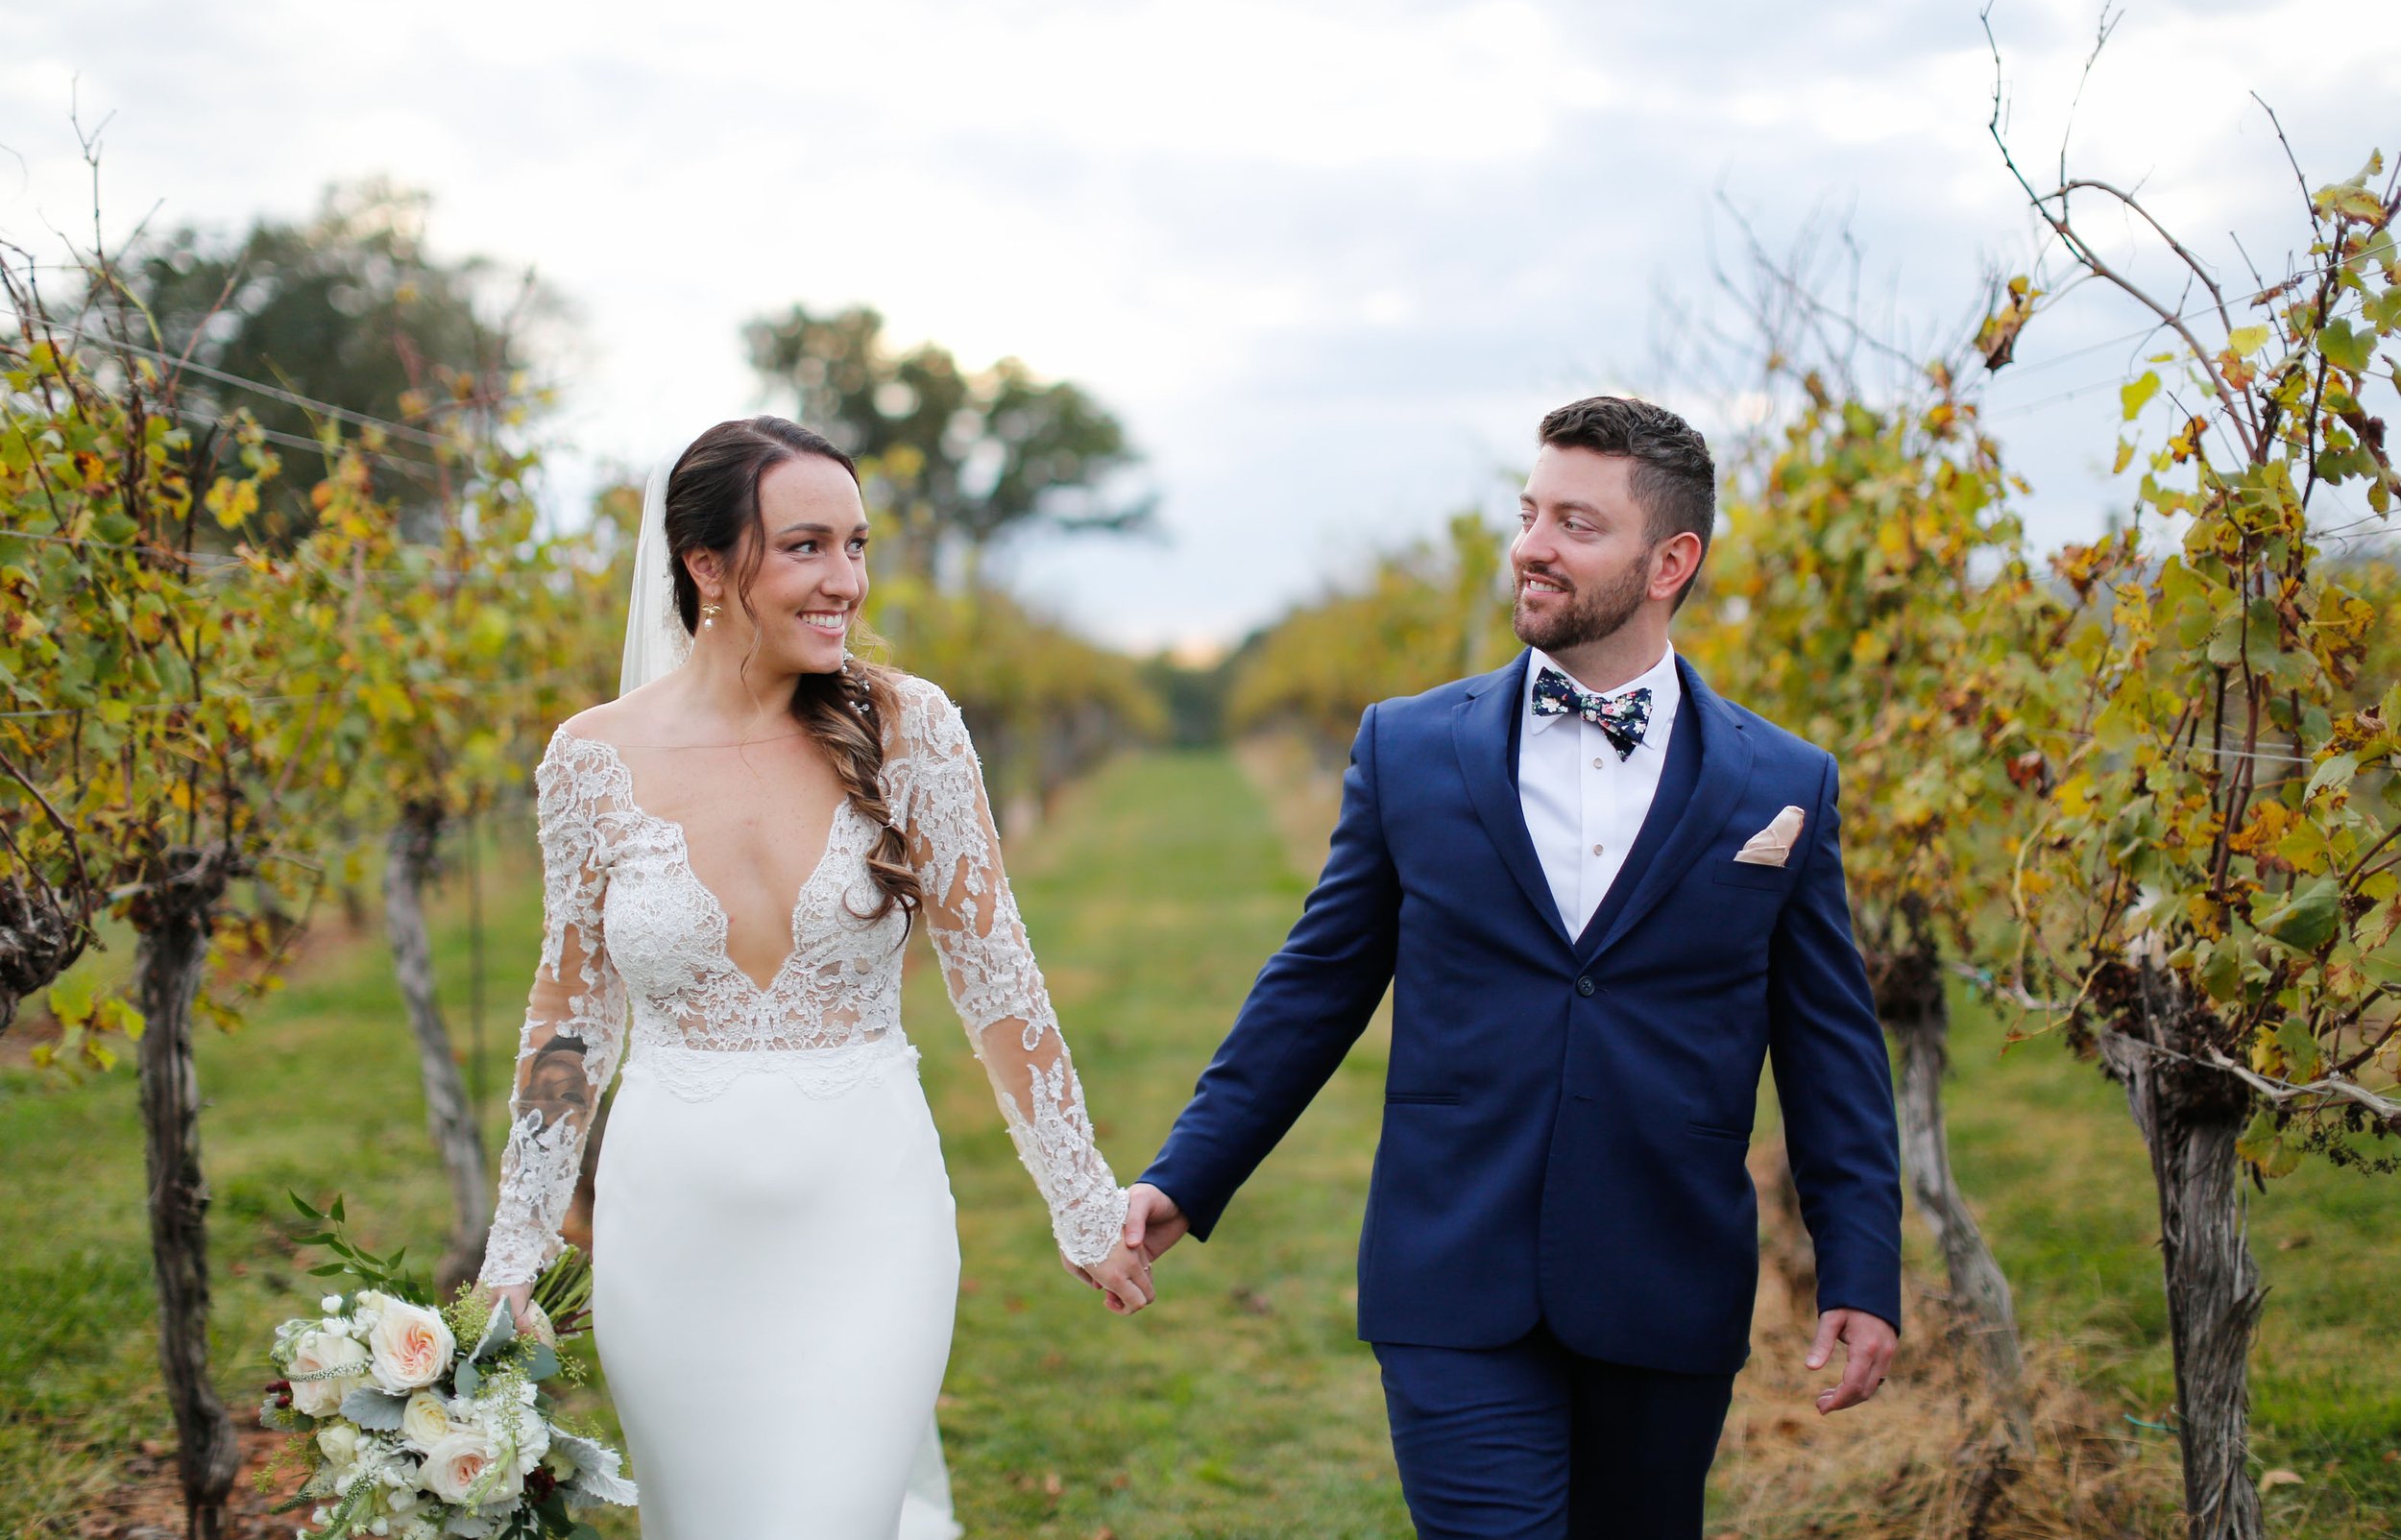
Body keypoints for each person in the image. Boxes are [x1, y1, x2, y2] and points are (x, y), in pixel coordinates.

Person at [1124, 396, 1904, 1539]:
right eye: (1529, 510)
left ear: (1668, 561)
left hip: (1665, 1272)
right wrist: (1186, 1175)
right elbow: (1318, 980)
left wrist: (1859, 1268)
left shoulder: (1780, 782)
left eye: (1576, 524)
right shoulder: (1409, 747)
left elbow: (1832, 1046)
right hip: (1452, 1259)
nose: (1531, 543)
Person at [477, 416, 1152, 1540]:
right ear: (705, 566)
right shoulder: (590, 758)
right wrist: (518, 1242)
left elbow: (997, 978)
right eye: (806, 546)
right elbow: (570, 1020)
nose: (847, 579)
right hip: (669, 1229)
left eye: (857, 543)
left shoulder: (911, 727)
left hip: (867, 1216)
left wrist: (1082, 1201)